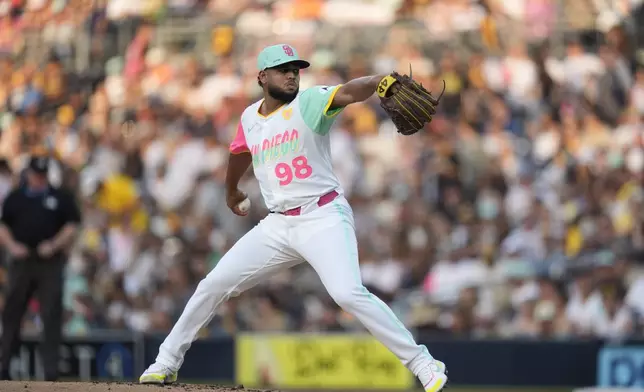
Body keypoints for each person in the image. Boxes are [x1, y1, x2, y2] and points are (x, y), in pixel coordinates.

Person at [139, 44, 448, 392]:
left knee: (347, 294)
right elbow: (239, 153)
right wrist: (231, 191)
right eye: (282, 69)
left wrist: (381, 82)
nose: (291, 74)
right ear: (262, 76)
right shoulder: (249, 118)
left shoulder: (309, 102)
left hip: (322, 216)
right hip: (278, 225)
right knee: (213, 284)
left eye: (295, 69)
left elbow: (349, 90)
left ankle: (424, 364)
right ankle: (165, 362)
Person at [0, 154, 81, 381]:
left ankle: (50, 372)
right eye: (36, 174)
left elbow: (72, 225)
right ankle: (3, 365)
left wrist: (54, 244)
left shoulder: (60, 197)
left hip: (50, 263)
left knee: (51, 314)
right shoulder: (15, 198)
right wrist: (12, 246)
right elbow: (3, 226)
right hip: (22, 261)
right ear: (28, 174)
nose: (39, 179)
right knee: (12, 313)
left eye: (43, 175)